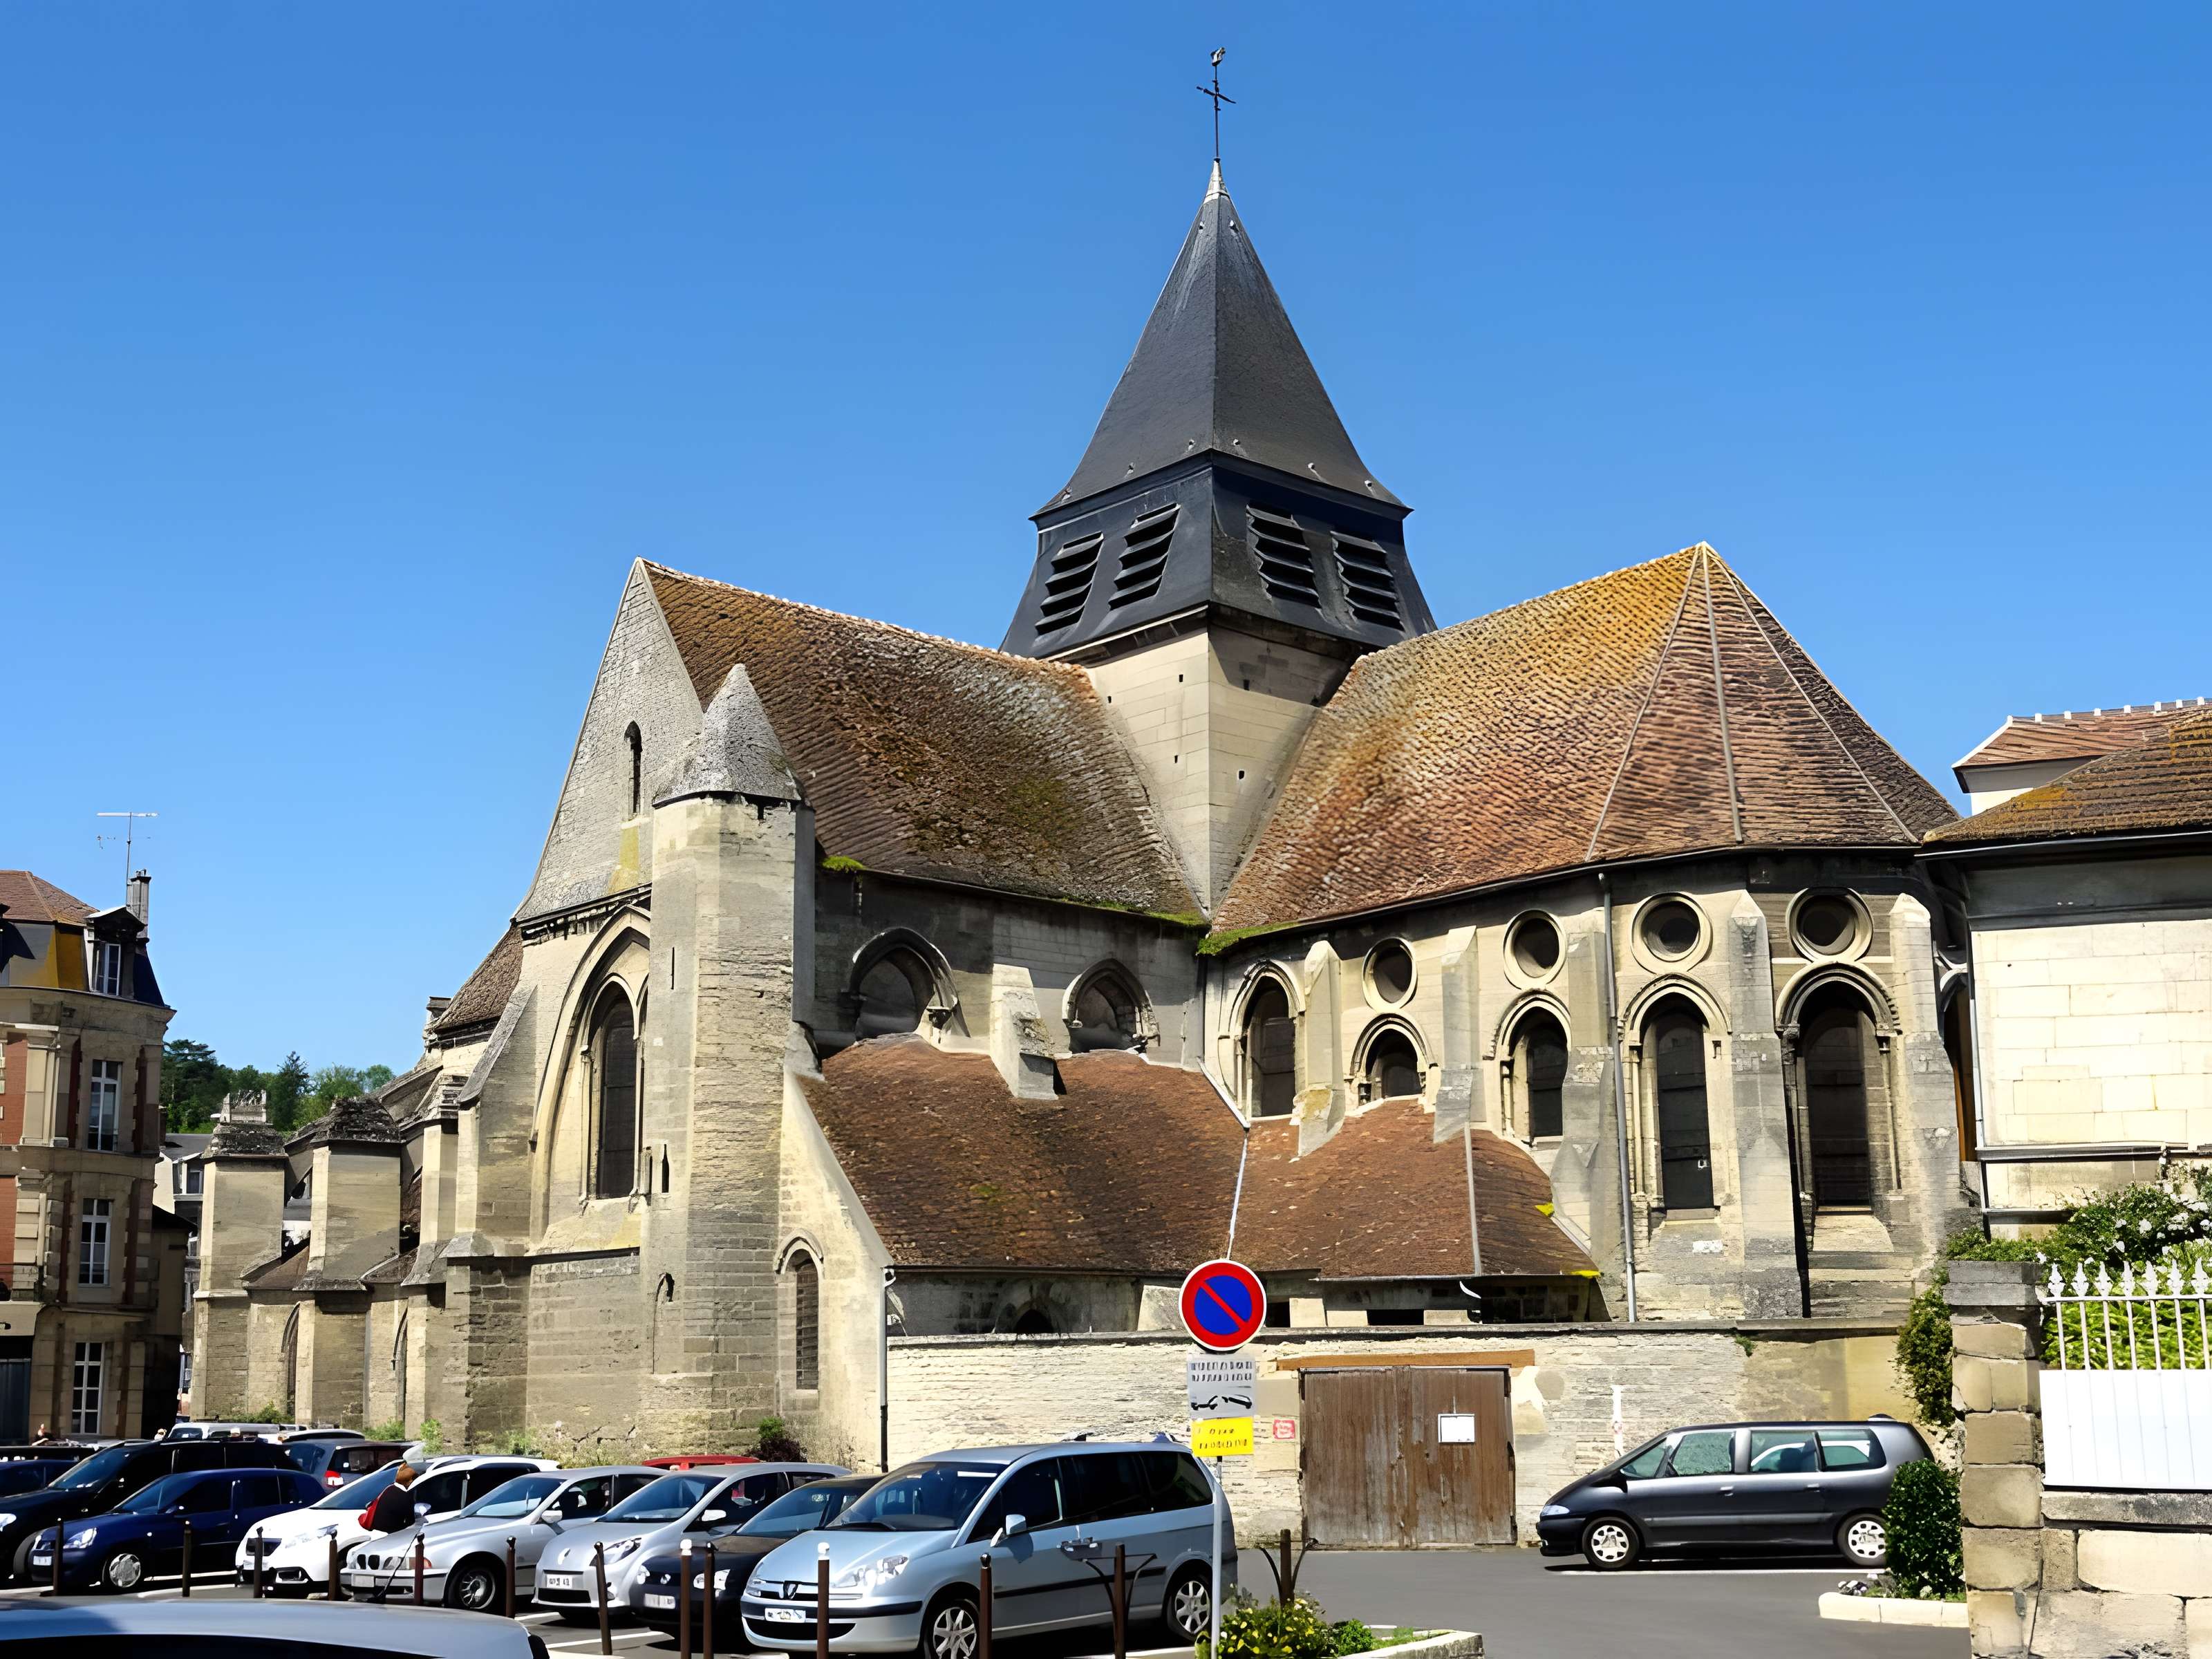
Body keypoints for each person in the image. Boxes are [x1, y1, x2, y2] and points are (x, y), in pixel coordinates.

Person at [364, 1461, 423, 1535]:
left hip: (379, 1530)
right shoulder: (406, 1497)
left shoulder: (389, 1488)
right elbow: (410, 1522)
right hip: (392, 1534)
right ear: (410, 1481)